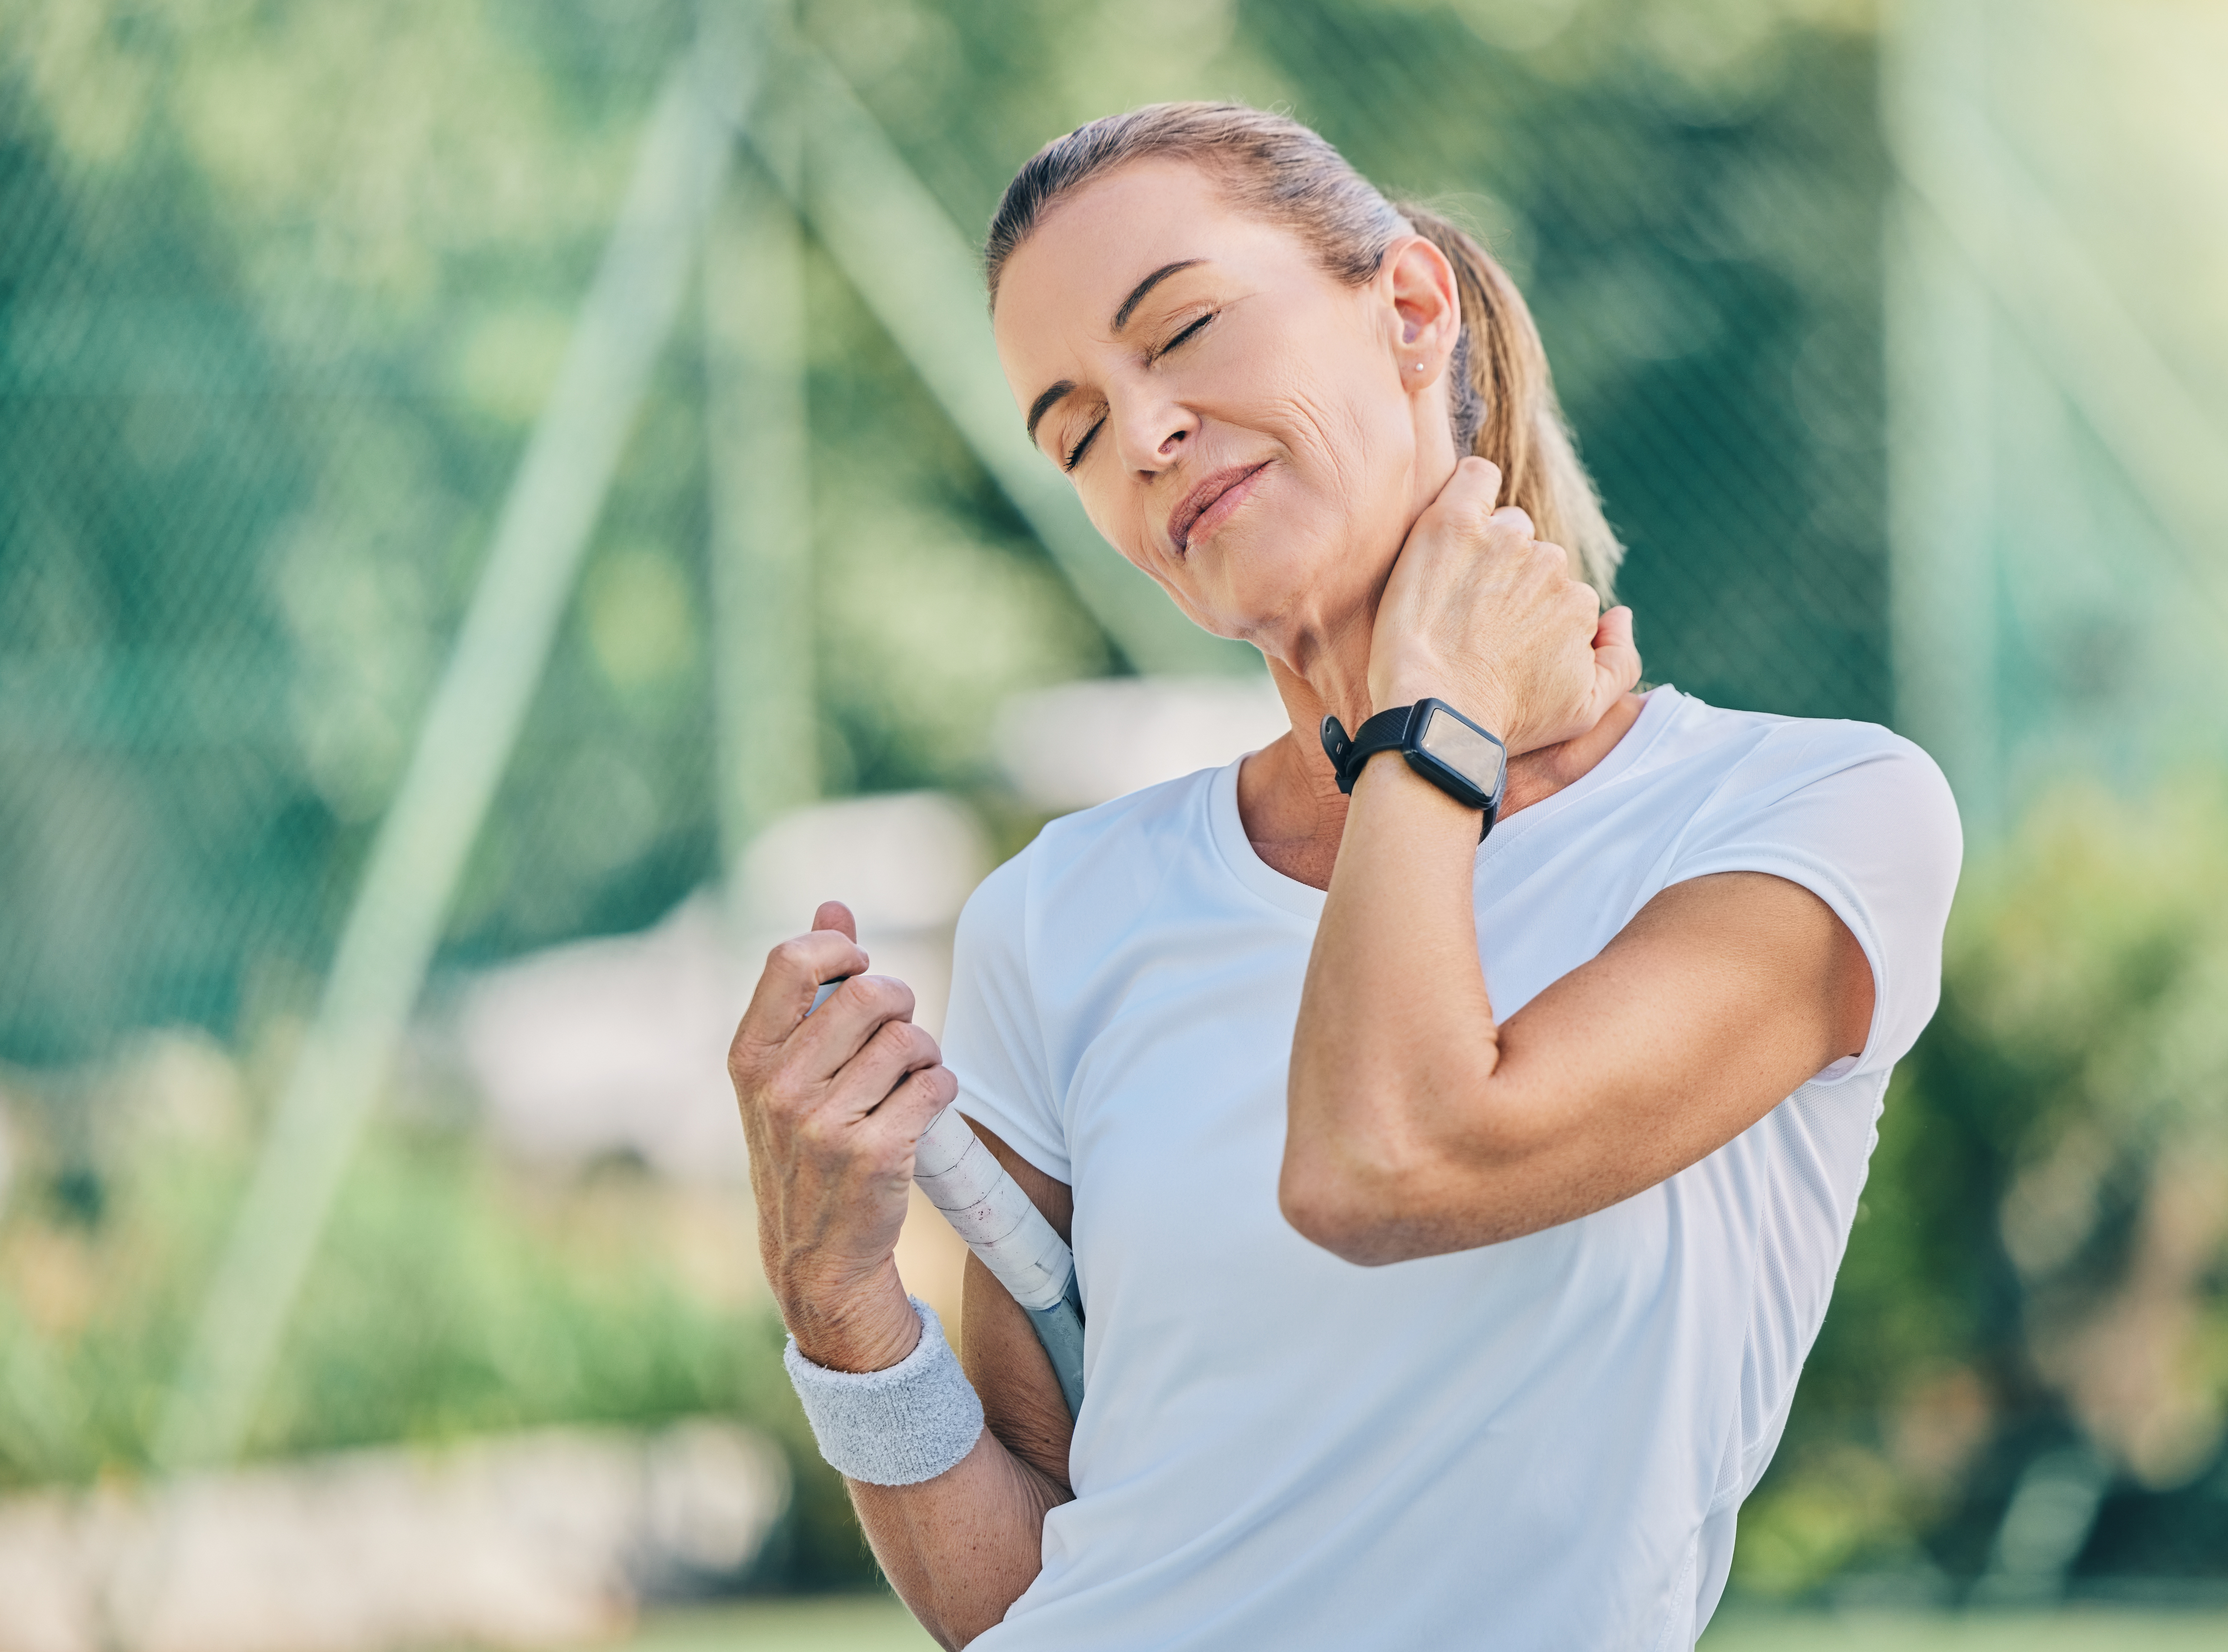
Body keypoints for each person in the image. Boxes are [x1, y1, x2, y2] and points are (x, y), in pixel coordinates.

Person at [727, 103, 1962, 1650]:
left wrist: (1425, 717)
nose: (1146, 437)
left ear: (1411, 308)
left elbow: (1388, 1164)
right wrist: (841, 1310)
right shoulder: (1060, 915)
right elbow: (1028, 1593)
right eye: (1077, 432)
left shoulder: (1807, 818)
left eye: (1180, 331)